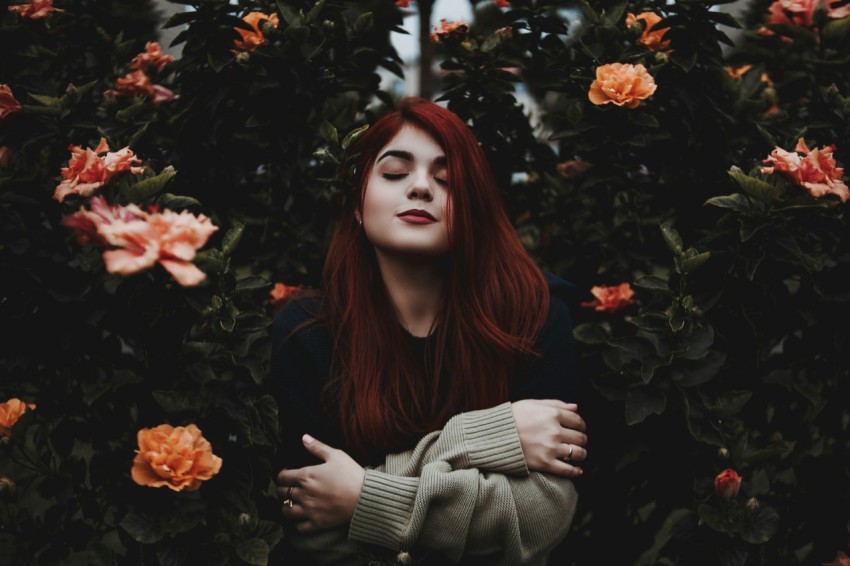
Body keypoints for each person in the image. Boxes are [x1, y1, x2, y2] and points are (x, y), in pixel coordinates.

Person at [271, 97, 587, 565]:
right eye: (395, 173)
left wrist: (362, 498)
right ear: (357, 205)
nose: (421, 188)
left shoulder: (532, 317)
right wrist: (491, 435)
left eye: (446, 179)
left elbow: (543, 516)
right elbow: (312, 529)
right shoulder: (307, 333)